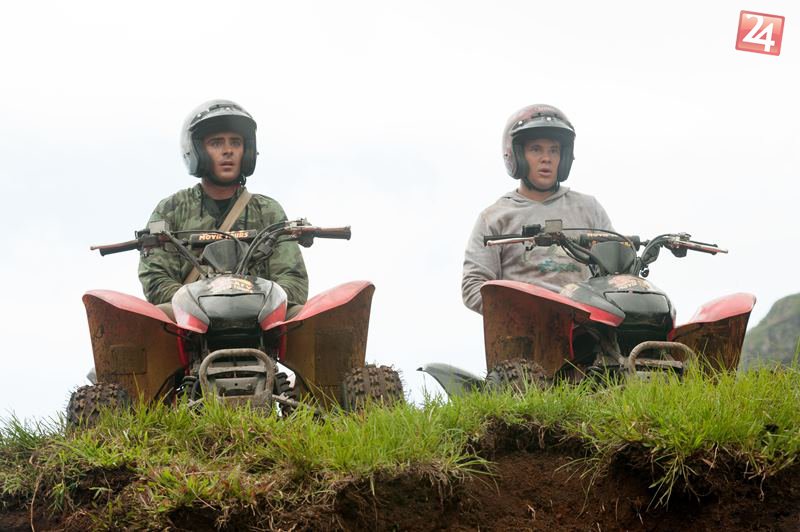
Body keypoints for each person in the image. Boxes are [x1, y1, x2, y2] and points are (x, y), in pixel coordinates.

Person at [138, 99, 308, 318]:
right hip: (189, 322)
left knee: (304, 317)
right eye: (216, 143)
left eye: (235, 143)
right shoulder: (171, 209)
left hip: (262, 317)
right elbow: (155, 276)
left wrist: (261, 302)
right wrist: (194, 304)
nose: (228, 151)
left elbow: (292, 278)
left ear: (247, 150)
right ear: (197, 150)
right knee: (154, 319)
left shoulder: (268, 210)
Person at [461, 104, 613, 314]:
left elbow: (616, 270)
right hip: (525, 326)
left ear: (564, 157)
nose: (546, 158)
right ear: (516, 155)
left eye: (554, 150)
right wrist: (520, 311)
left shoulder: (588, 209)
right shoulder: (495, 217)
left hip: (583, 322)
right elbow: (473, 285)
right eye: (536, 149)